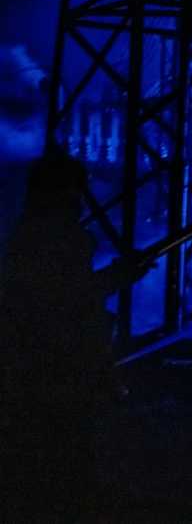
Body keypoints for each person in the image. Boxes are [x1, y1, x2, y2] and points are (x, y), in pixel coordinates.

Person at [0, 146, 150, 520]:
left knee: (43, 467)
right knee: (63, 466)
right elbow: (72, 300)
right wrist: (121, 276)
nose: (81, 205)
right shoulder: (56, 242)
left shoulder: (27, 239)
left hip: (33, 375)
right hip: (57, 375)